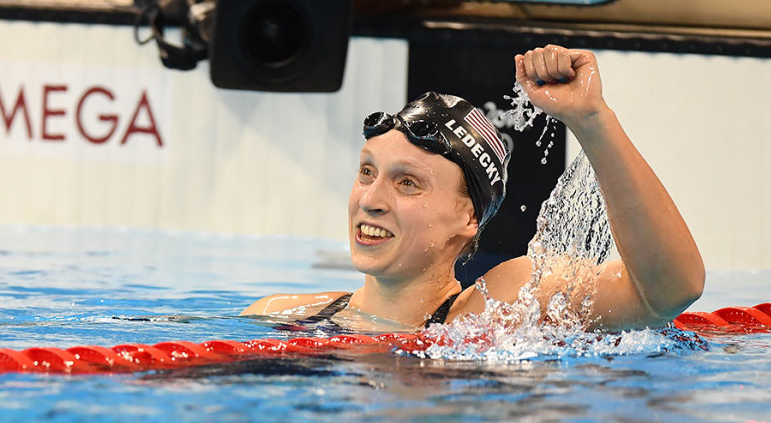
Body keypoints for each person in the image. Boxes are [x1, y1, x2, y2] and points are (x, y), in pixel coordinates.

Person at [241, 45, 705, 332]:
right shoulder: (280, 315)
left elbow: (669, 291)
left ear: (468, 218)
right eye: (367, 172)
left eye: (407, 183)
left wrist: (591, 120)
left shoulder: (498, 310)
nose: (371, 200)